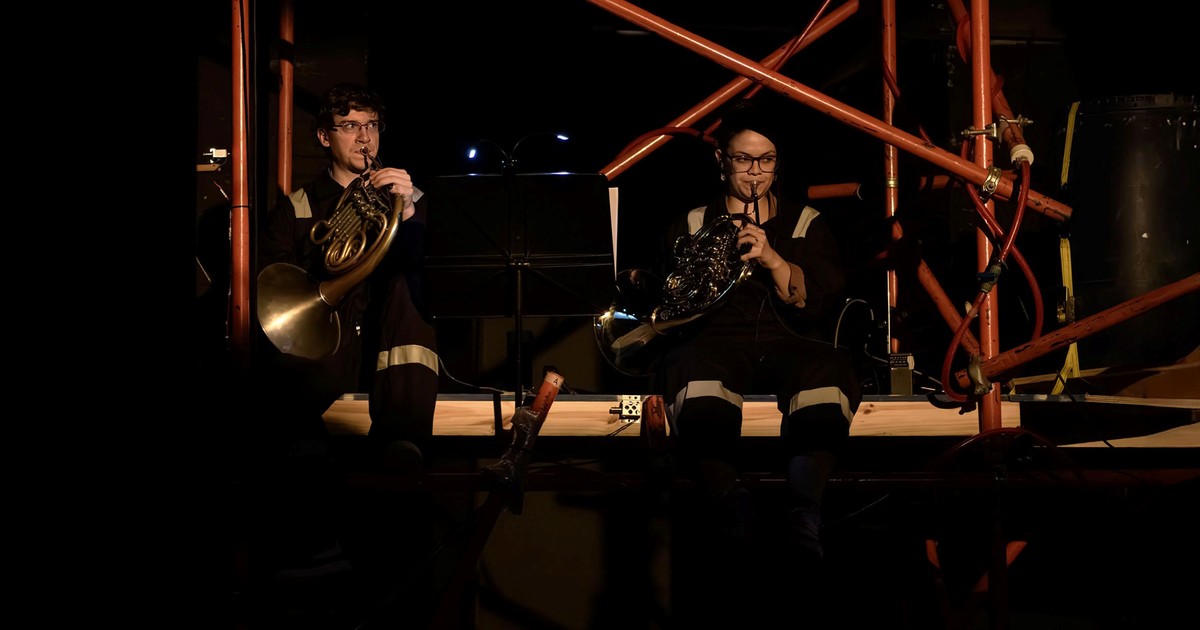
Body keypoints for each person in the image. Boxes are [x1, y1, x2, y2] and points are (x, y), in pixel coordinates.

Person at [236, 82, 441, 622]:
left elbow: (436, 277)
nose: (364, 137)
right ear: (325, 137)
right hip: (327, 337)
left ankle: (404, 438)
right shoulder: (297, 207)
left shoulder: (406, 198)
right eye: (350, 126)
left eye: (371, 125)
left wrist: (411, 212)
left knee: (406, 292)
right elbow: (276, 285)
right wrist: (329, 261)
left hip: (386, 338)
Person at [656, 100, 861, 626]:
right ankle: (730, 506)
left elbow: (817, 300)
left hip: (786, 337)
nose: (754, 172)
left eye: (765, 160)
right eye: (744, 160)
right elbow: (674, 301)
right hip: (716, 337)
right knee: (693, 375)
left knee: (828, 371)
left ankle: (804, 515)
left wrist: (771, 257)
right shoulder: (693, 221)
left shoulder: (806, 221)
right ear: (721, 162)